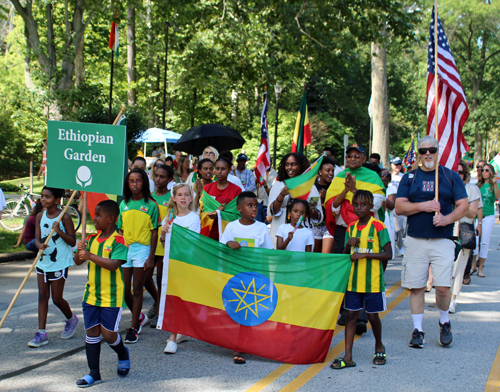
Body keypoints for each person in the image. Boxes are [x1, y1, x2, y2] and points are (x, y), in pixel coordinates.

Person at [395, 136, 468, 348]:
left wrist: (446, 218)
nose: (428, 153)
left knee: (443, 288)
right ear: (418, 153)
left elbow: (463, 205)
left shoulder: (450, 176)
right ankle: (417, 330)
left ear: (438, 151)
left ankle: (444, 321)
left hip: (443, 239)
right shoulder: (409, 178)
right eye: (423, 150)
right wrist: (424, 206)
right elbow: (400, 207)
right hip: (416, 239)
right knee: (416, 288)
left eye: (432, 150)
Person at [330, 190, 392, 369]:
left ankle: (379, 345)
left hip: (372, 281)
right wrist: (347, 246)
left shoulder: (378, 226)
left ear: (371, 206)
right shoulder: (351, 228)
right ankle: (348, 356)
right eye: (355, 205)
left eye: (363, 205)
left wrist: (364, 256)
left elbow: (389, 254)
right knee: (350, 317)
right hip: (353, 282)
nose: (359, 208)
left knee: (373, 317)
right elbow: (346, 257)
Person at [73, 200, 130, 387]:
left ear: (111, 219)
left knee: (109, 335)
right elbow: (78, 262)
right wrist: (80, 251)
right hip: (91, 295)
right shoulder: (90, 239)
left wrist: (89, 256)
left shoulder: (119, 241)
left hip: (111, 297)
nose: (94, 218)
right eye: (94, 215)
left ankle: (122, 352)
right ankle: (94, 374)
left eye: (99, 215)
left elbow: (114, 265)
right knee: (91, 333)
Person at [219, 191, 273, 364]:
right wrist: (228, 243)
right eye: (250, 205)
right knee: (237, 309)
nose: (254, 208)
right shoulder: (232, 227)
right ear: (239, 208)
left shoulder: (262, 227)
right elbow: (221, 247)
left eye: (256, 205)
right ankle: (238, 343)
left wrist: (266, 276)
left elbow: (268, 252)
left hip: (255, 276)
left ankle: (241, 346)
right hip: (235, 276)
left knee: (250, 311)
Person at [29, 187, 78, 347]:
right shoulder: (39, 216)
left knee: (56, 298)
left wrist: (58, 231)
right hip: (43, 261)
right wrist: (39, 245)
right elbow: (36, 239)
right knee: (42, 296)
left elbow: (72, 241)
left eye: (48, 197)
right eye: (42, 196)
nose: (43, 199)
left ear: (57, 200)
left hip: (59, 262)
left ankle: (72, 319)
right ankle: (42, 333)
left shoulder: (64, 218)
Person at [118, 168, 160, 344]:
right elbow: (120, 229)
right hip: (126, 249)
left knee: (137, 289)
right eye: (131, 181)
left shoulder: (151, 205)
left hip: (143, 249)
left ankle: (134, 327)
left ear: (144, 182)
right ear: (127, 184)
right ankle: (139, 316)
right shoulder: (123, 204)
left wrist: (151, 257)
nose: (134, 184)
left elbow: (154, 232)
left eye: (138, 180)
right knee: (124, 289)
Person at [160, 184, 200, 354]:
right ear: (174, 198)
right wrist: (163, 233)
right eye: (180, 195)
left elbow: (192, 243)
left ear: (191, 198)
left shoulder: (194, 218)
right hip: (170, 264)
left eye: (187, 195)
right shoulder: (168, 217)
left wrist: (174, 234)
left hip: (185, 265)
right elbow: (163, 243)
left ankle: (174, 336)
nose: (183, 198)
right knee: (172, 299)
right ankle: (176, 334)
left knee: (180, 299)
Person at [325, 143, 386, 255]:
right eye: (350, 156)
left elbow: (375, 206)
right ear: (346, 158)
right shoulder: (339, 176)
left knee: (362, 264)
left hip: (366, 229)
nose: (352, 159)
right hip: (343, 230)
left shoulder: (373, 177)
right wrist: (345, 190)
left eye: (357, 156)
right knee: (342, 265)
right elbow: (333, 206)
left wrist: (354, 190)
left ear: (363, 159)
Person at [268, 153, 322, 249]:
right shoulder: (278, 185)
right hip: (280, 230)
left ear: (300, 166)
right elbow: (271, 212)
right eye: (287, 164)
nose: (289, 167)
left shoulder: (310, 187)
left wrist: (304, 206)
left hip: (303, 233)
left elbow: (319, 216)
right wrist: (282, 194)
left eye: (293, 164)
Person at [449, 159, 480, 313]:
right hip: (446, 229)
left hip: (463, 229)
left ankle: (453, 298)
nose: (457, 174)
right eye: (454, 171)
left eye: (460, 172)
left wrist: (460, 204)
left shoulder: (471, 189)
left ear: (465, 174)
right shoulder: (445, 188)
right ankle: (443, 296)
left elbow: (473, 212)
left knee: (459, 266)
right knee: (445, 266)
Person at [148, 164, 176, 327]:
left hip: (164, 242)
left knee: (160, 277)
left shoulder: (172, 198)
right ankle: (158, 301)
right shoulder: (149, 197)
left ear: (170, 179)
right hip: (150, 243)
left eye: (162, 177)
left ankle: (160, 310)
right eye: (156, 176)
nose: (158, 179)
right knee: (146, 278)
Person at [199, 158, 242, 241]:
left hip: (228, 236)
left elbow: (238, 215)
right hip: (209, 234)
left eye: (223, 169)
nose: (219, 171)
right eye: (217, 168)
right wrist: (217, 212)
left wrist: (219, 214)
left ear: (229, 171)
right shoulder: (207, 188)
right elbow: (202, 211)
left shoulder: (236, 190)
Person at [472, 162, 500, 278]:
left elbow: (497, 198)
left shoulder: (494, 185)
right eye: (482, 170)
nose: (484, 172)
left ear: (491, 172)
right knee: (474, 242)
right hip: (476, 216)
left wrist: (495, 184)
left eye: (487, 170)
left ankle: (481, 268)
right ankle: (473, 266)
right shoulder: (478, 185)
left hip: (489, 216)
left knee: (484, 242)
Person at [313, 157, 335, 253]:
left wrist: (326, 199)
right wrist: (319, 200)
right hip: (315, 226)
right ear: (320, 172)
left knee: (326, 256)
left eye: (332, 171)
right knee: (315, 256)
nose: (331, 173)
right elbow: (311, 207)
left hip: (329, 226)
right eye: (328, 170)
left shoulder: (334, 187)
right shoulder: (314, 187)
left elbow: (336, 208)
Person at [379, 169, 397, 259]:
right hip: (376, 216)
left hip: (387, 217)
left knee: (386, 241)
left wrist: (379, 195)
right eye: (382, 175)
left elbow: (391, 205)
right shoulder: (375, 186)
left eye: (387, 176)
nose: (384, 177)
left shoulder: (391, 188)